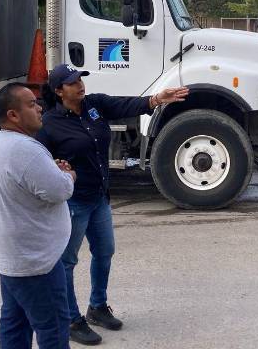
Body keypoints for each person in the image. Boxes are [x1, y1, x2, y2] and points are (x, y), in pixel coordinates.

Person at [37, 63, 189, 345]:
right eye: (72, 82)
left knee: (104, 252)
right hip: (73, 204)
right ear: (59, 91)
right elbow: (38, 159)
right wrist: (54, 167)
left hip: (99, 198)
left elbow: (125, 105)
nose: (80, 85)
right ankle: (71, 319)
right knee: (67, 262)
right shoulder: (49, 123)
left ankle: (97, 307)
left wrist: (156, 99)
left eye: (80, 79)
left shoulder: (94, 105)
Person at [0, 82, 77, 348]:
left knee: (15, 323)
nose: (40, 108)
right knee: (53, 328)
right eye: (31, 104)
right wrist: (68, 175)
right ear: (13, 115)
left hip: (12, 259)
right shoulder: (26, 150)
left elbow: (30, 182)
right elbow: (59, 190)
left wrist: (52, 171)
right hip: (36, 263)